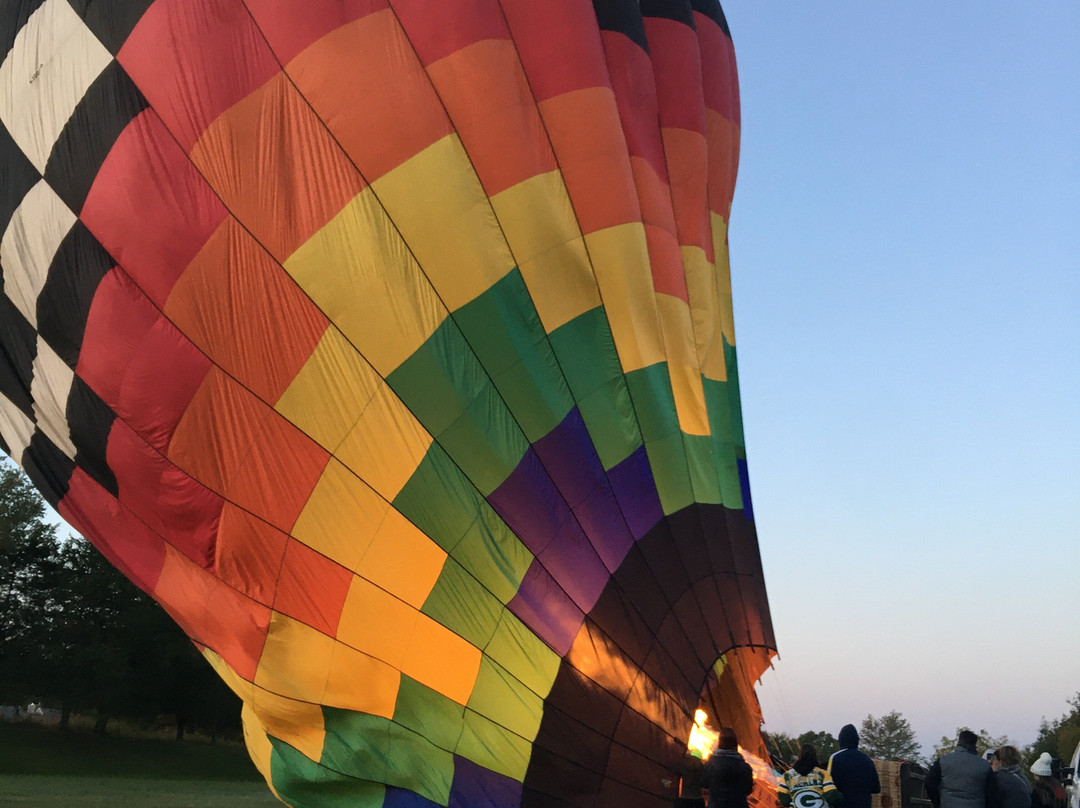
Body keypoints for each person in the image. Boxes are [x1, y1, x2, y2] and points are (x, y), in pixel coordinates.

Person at [925, 729, 997, 808]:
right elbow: (991, 794)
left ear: (959, 742)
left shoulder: (943, 761)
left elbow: (929, 782)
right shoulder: (985, 766)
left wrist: (937, 801)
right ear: (974, 745)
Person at [828, 724, 882, 808]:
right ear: (857, 740)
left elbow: (829, 787)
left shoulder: (835, 758)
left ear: (841, 740)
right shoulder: (867, 760)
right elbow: (876, 788)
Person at [701, 727, 755, 808]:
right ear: (735, 744)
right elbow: (748, 790)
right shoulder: (745, 767)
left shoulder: (710, 765)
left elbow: (704, 783)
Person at [780, 744, 841, 808]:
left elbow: (784, 800)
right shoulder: (822, 773)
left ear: (799, 756)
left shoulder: (787, 775)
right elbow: (832, 795)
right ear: (815, 756)